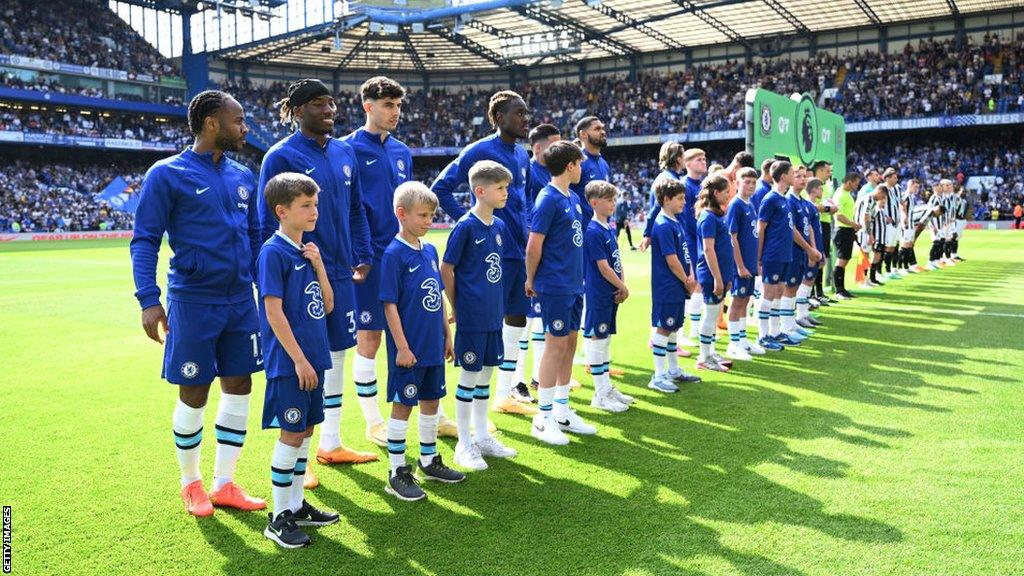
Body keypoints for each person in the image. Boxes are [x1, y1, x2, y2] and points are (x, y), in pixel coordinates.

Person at [130, 89, 266, 517]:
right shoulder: (166, 174)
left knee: (240, 386)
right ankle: (191, 483)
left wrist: (269, 291)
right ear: (211, 123)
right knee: (194, 391)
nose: (245, 128)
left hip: (241, 302)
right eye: (238, 120)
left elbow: (257, 239)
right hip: (193, 302)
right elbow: (145, 240)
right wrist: (149, 300)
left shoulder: (244, 175)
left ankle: (225, 483)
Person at [258, 79, 377, 486]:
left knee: (337, 355)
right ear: (298, 110)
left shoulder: (345, 151)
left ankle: (331, 441)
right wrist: (270, 271)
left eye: (331, 104)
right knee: (303, 359)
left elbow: (357, 208)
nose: (330, 110)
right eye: (320, 105)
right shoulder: (280, 155)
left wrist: (363, 252)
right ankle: (300, 454)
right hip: (297, 274)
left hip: (339, 270)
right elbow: (264, 220)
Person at [432, 91, 532, 422]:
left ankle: (504, 394)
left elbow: (523, 200)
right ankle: (466, 410)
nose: (525, 118)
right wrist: (472, 220)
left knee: (518, 317)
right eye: (519, 113)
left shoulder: (521, 154)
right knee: (485, 323)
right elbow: (441, 187)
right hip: (491, 253)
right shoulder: (479, 151)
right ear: (499, 116)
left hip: (518, 250)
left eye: (526, 113)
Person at [257, 173, 340, 548]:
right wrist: (299, 360)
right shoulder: (273, 252)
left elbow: (328, 305)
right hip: (291, 364)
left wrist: (320, 265)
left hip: (314, 359)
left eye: (315, 204)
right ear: (281, 210)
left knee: (306, 430)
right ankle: (278, 517)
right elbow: (274, 313)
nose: (314, 212)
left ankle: (296, 504)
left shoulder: (306, 251)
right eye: (306, 205)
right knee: (291, 433)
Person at [380, 182, 464, 501]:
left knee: (432, 402)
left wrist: (447, 334)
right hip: (409, 350)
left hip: (432, 345)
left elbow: (437, 295)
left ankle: (428, 460)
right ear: (401, 214)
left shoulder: (430, 250)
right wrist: (401, 347)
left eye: (432, 215)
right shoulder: (393, 254)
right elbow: (389, 304)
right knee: (404, 406)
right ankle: (397, 471)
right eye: (423, 215)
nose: (429, 221)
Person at [342, 76, 414, 447]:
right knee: (369, 337)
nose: (395, 112)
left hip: (403, 257)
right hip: (368, 260)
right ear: (368, 106)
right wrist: (359, 253)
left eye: (398, 106)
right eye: (388, 105)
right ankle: (373, 422)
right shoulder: (345, 150)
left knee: (409, 333)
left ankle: (420, 406)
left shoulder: (402, 151)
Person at [440, 160, 519, 471]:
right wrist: (457, 304)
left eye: (507, 188)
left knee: (486, 374)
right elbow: (447, 268)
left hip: (492, 314)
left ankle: (483, 435)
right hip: (472, 316)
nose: (505, 194)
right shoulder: (465, 227)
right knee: (470, 377)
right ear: (480, 191)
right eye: (500, 188)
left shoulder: (499, 226)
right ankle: (464, 443)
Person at [525, 141, 596, 445]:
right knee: (554, 346)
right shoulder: (548, 199)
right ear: (570, 166)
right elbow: (534, 245)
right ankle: (542, 417)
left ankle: (562, 409)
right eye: (579, 164)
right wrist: (531, 279)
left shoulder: (574, 199)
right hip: (554, 285)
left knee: (569, 343)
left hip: (573, 284)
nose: (582, 169)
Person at [519, 123, 562, 406]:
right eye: (554, 143)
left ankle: (537, 376)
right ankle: (517, 382)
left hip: (549, 252)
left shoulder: (552, 174)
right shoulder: (528, 171)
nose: (558, 148)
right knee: (523, 319)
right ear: (538, 147)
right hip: (531, 247)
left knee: (540, 318)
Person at [582, 179, 633, 412]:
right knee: (598, 340)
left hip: (611, 291)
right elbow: (603, 267)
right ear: (594, 203)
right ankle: (599, 393)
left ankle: (606, 387)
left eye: (614, 199)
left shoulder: (608, 227)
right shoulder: (592, 231)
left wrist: (621, 284)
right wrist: (622, 286)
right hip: (599, 294)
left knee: (606, 340)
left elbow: (616, 261)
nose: (614, 203)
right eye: (609, 200)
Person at [648, 177, 702, 392]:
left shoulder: (675, 221)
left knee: (673, 328)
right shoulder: (662, 225)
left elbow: (684, 254)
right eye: (680, 198)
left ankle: (672, 370)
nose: (684, 203)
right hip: (667, 286)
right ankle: (658, 375)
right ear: (666, 199)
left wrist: (689, 274)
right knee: (664, 327)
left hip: (678, 284)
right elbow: (671, 260)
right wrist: (687, 279)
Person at [694, 175, 736, 372]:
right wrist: (718, 279)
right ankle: (704, 357)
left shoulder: (719, 214)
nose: (729, 195)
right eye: (726, 191)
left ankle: (710, 352)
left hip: (721, 273)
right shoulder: (708, 217)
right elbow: (708, 250)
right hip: (711, 275)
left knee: (713, 314)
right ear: (716, 193)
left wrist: (726, 276)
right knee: (710, 316)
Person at [725, 167, 766, 360]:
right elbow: (732, 237)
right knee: (737, 301)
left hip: (750, 264)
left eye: (753, 182)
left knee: (745, 301)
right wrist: (740, 266)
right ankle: (733, 344)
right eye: (746, 182)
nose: (750, 185)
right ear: (736, 183)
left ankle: (742, 340)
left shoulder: (750, 204)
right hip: (740, 266)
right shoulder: (736, 205)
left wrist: (755, 262)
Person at [756, 161, 797, 351]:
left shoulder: (785, 199)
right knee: (769, 294)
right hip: (772, 254)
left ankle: (775, 331)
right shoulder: (770, 199)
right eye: (792, 173)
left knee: (779, 292)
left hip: (785, 254)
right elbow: (761, 229)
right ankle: (762, 335)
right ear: (783, 176)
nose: (794, 176)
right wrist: (759, 258)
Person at [569, 115, 611, 227]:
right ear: (583, 134)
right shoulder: (576, 162)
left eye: (602, 128)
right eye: (597, 129)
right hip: (583, 232)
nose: (603, 132)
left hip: (602, 231)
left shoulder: (604, 163)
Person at [799, 179, 826, 328]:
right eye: (821, 189)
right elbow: (808, 230)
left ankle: (804, 313)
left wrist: (820, 250)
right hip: (810, 251)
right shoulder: (808, 206)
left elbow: (816, 229)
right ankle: (800, 314)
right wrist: (811, 250)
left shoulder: (810, 206)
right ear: (814, 190)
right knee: (806, 280)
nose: (822, 192)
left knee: (810, 281)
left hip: (817, 249)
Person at [831, 171, 862, 299]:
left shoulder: (847, 194)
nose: (857, 186)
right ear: (849, 182)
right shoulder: (840, 195)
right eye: (856, 183)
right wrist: (853, 224)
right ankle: (838, 290)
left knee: (845, 259)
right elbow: (838, 215)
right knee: (841, 260)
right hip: (842, 229)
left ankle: (842, 289)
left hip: (847, 230)